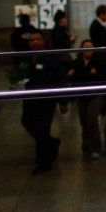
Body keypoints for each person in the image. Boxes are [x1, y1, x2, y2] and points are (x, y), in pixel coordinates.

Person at [21, 31, 70, 175]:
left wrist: (63, 101)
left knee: (43, 129)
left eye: (38, 39)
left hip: (46, 100)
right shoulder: (26, 58)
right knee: (26, 121)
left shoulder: (51, 58)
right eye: (32, 40)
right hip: (30, 99)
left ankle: (43, 161)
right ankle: (51, 143)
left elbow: (61, 79)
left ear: (43, 41)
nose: (35, 42)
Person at [66, 40, 106, 160]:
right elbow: (70, 78)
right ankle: (86, 146)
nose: (88, 49)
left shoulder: (99, 62)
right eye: (85, 47)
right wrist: (70, 75)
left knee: (92, 120)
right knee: (84, 122)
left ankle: (95, 148)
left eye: (90, 47)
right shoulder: (76, 63)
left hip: (95, 95)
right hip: (81, 96)